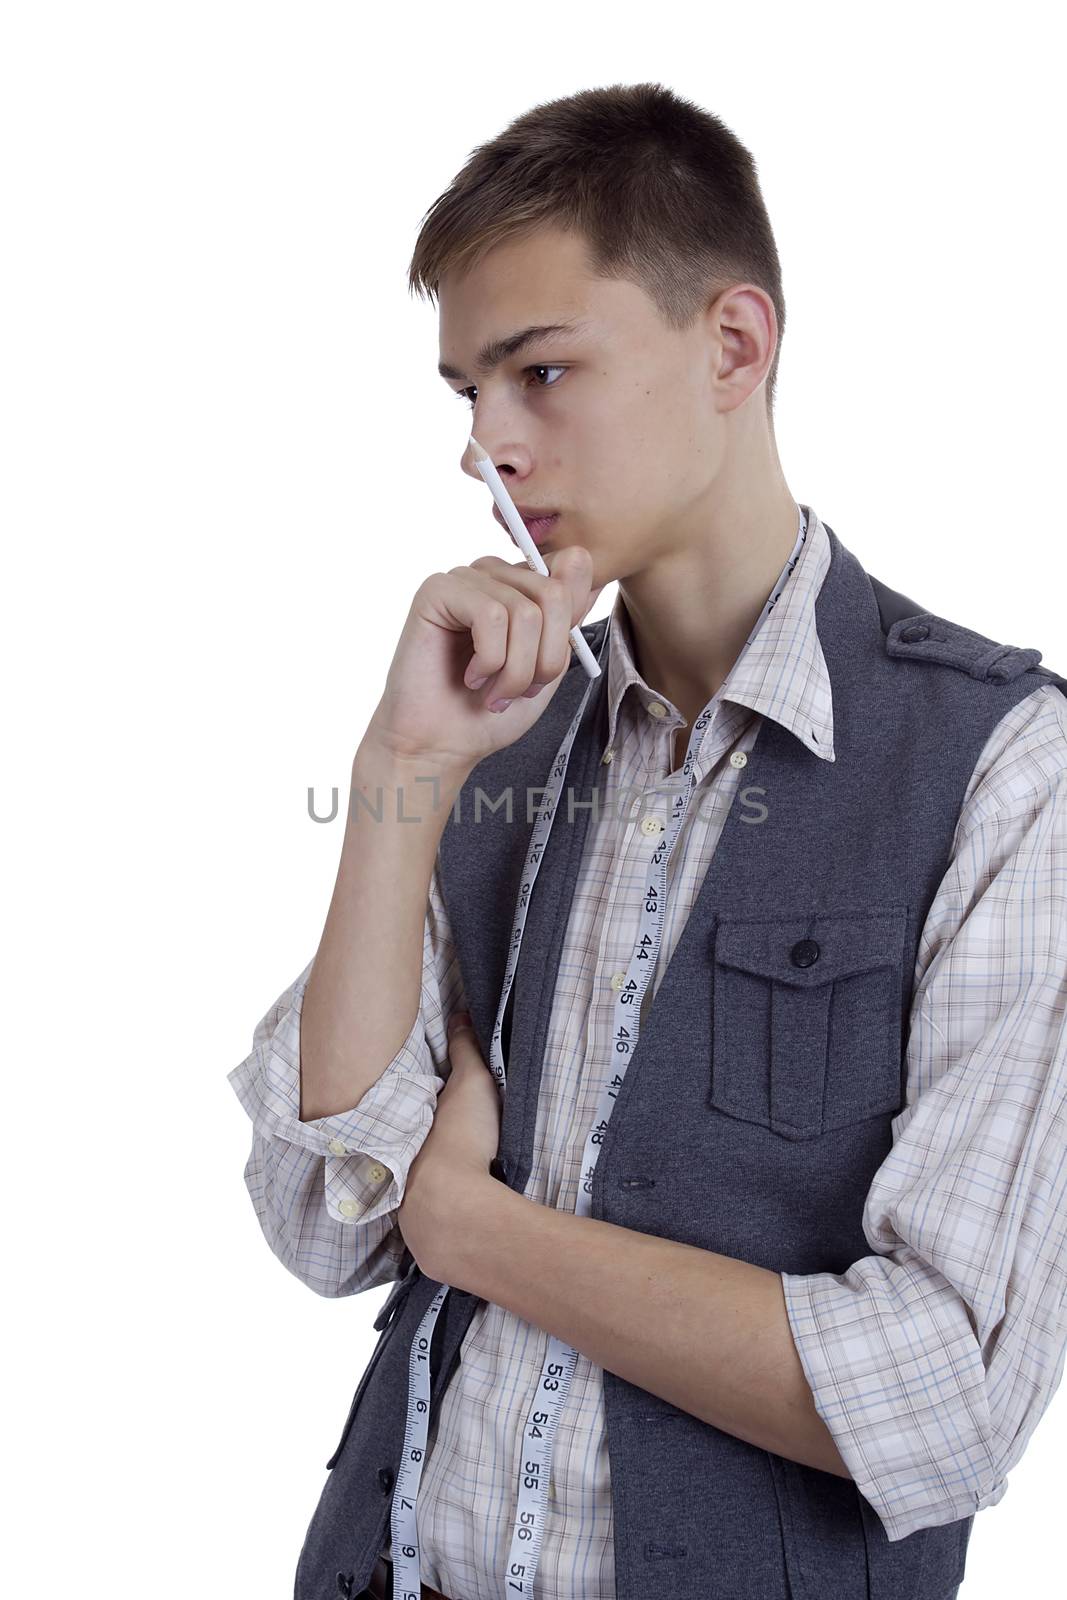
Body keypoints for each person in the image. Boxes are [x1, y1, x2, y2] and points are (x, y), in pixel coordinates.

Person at [228, 82, 1067, 1600]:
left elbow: (947, 1394)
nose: (487, 446)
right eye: (465, 394)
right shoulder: (492, 733)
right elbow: (324, 1216)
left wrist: (479, 1234)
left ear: (734, 346)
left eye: (541, 372)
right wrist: (401, 771)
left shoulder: (999, 765)